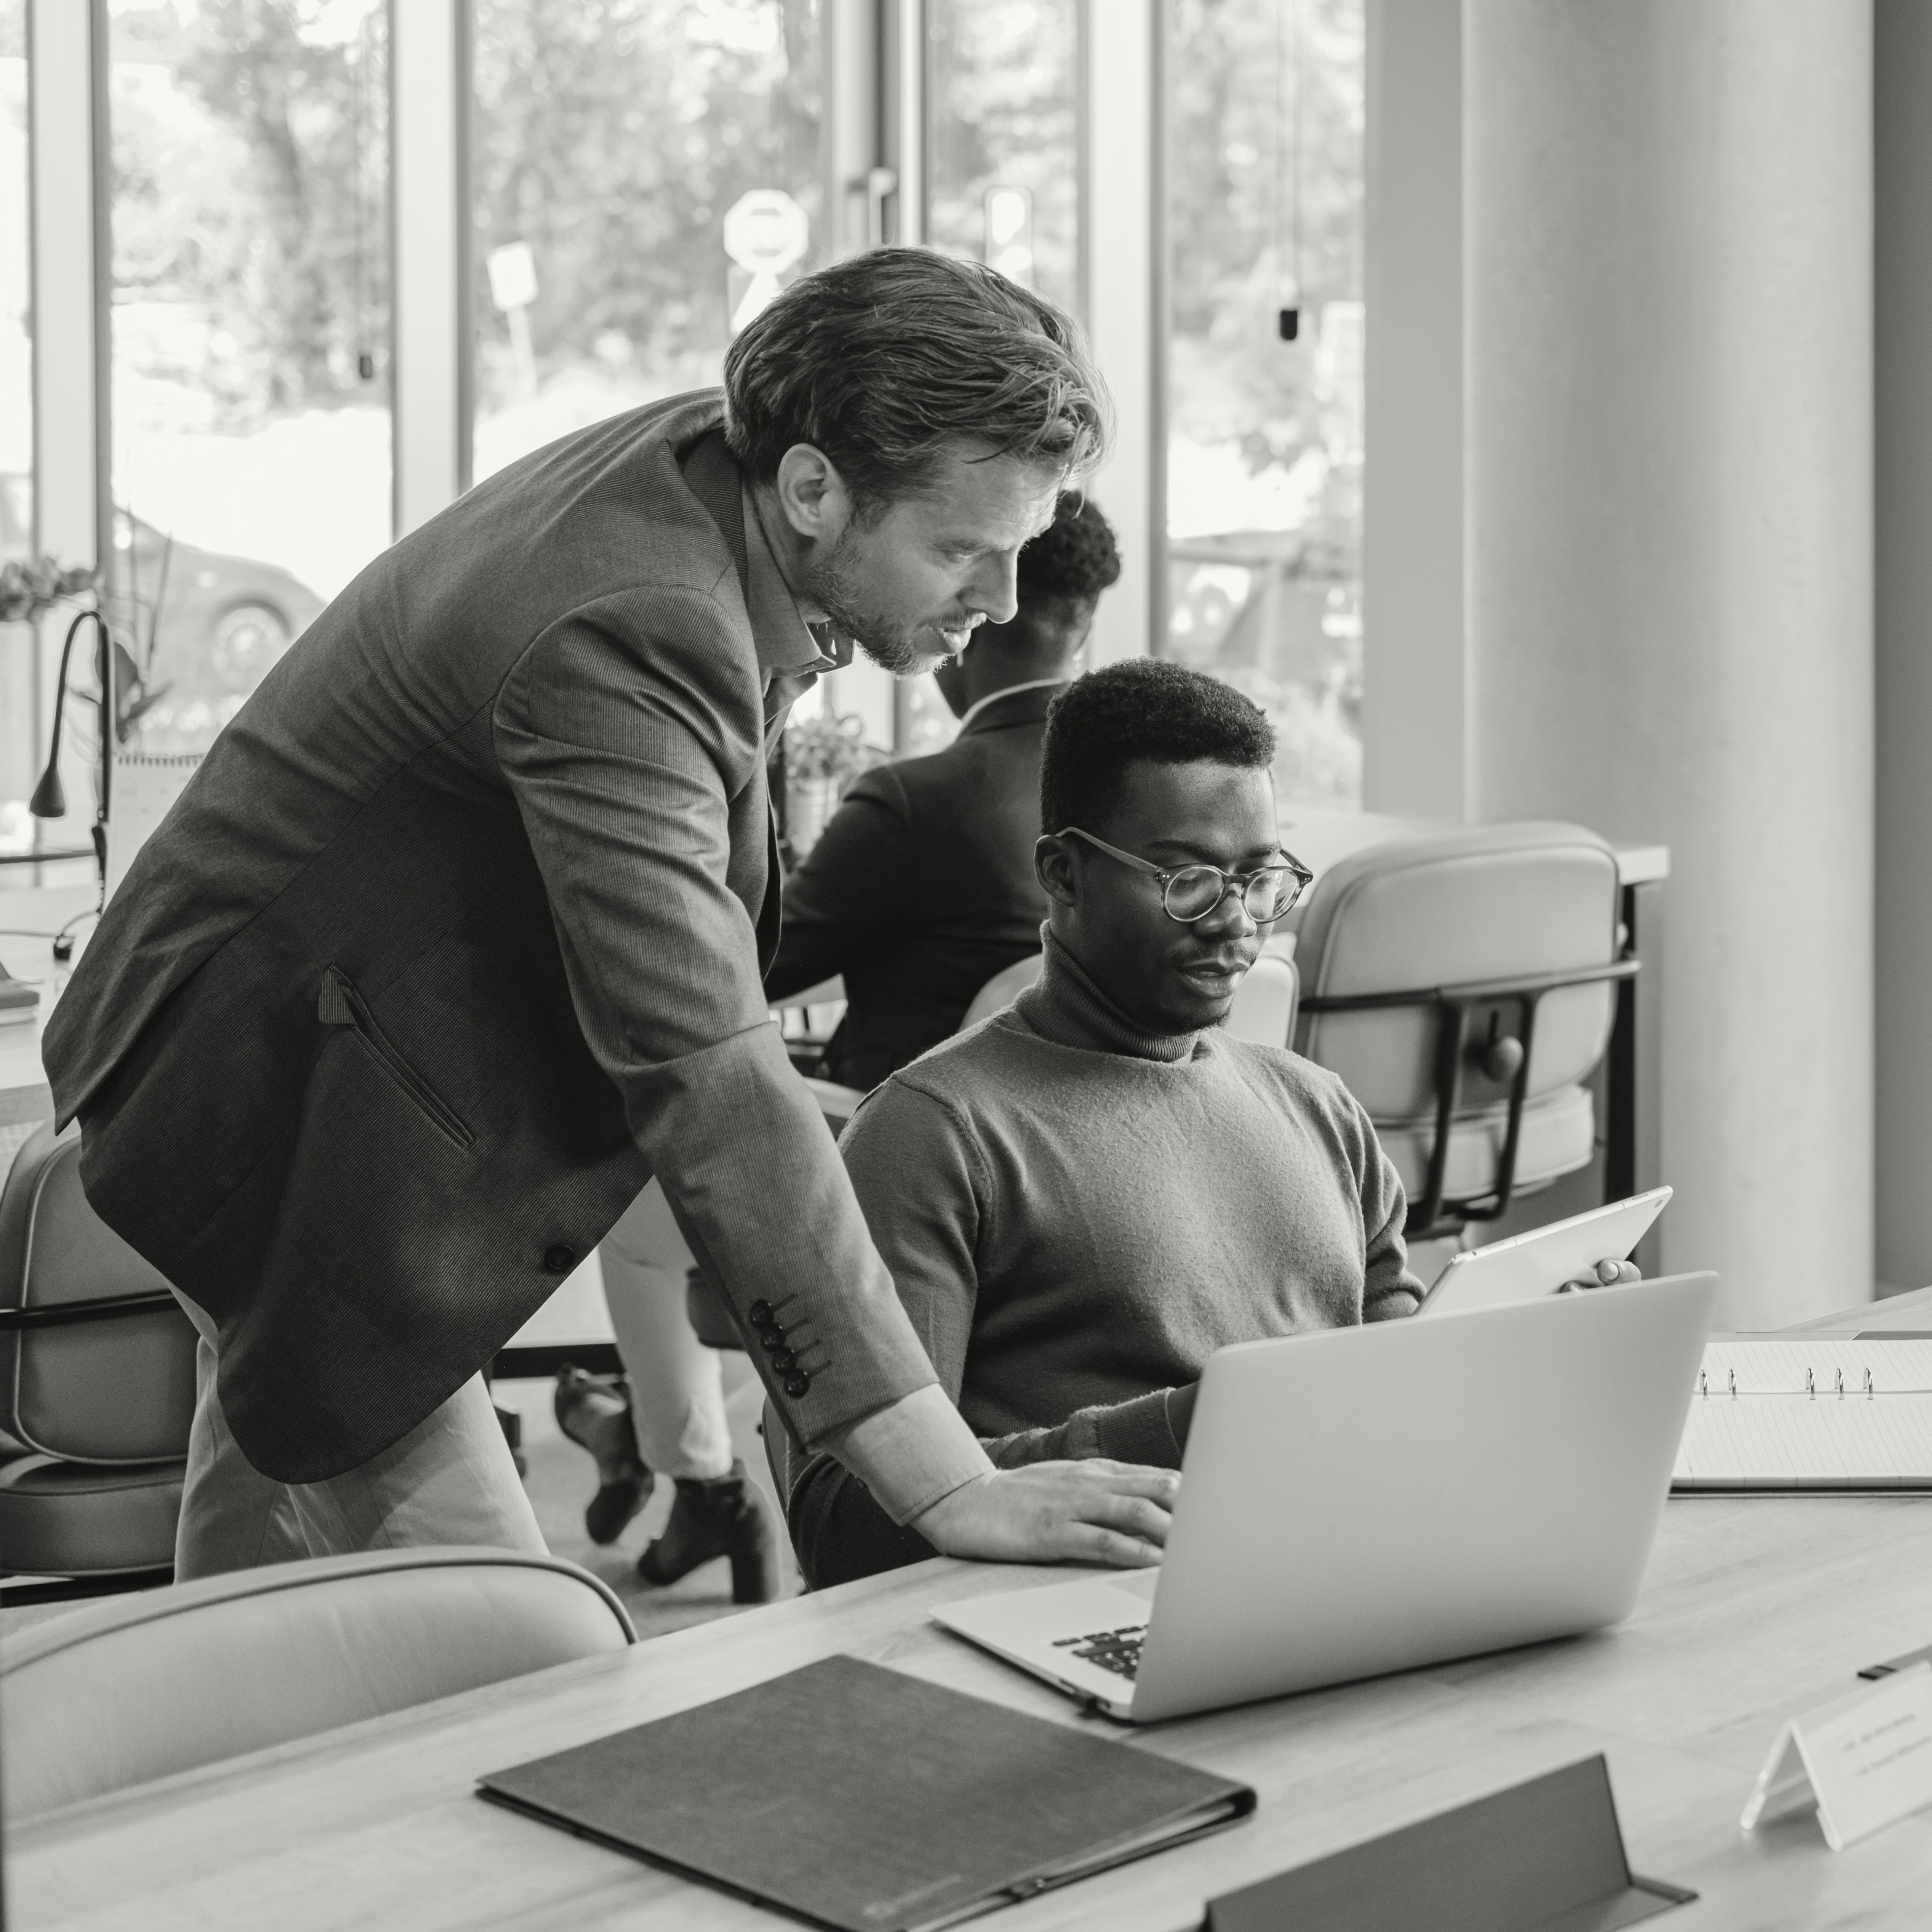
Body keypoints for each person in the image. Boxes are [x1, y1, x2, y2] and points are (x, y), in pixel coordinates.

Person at [41, 249, 1177, 1581]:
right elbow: (706, 1071)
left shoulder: (744, 470)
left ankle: (187, 1780)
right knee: (499, 1640)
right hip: (272, 1101)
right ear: (813, 488)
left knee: (280, 1599)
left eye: (1021, 552)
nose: (997, 604)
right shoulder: (633, 622)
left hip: (320, 1048)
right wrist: (943, 1481)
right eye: (964, 551)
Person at [781, 660, 1636, 1586]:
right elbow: (842, 1525)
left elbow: (1392, 1379)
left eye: (1261, 879)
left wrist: (1510, 1351)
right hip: (1097, 1607)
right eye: (1188, 880)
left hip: (1340, 1574)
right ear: (1061, 875)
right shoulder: (933, 1135)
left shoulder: (1318, 1107)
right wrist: (1209, 1427)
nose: (1237, 923)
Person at [550, 496, 1123, 1589]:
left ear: (978, 606)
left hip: (890, 1160)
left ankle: (703, 1477)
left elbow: (729, 973)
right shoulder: (1131, 801)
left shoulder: (919, 800)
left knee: (630, 1188)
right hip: (1080, 1174)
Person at [764, 492, 1121, 1090]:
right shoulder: (1129, 792)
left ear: (966, 618)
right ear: (1080, 630)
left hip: (887, 1144)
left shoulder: (913, 803)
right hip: (1062, 1146)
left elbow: (754, 967)